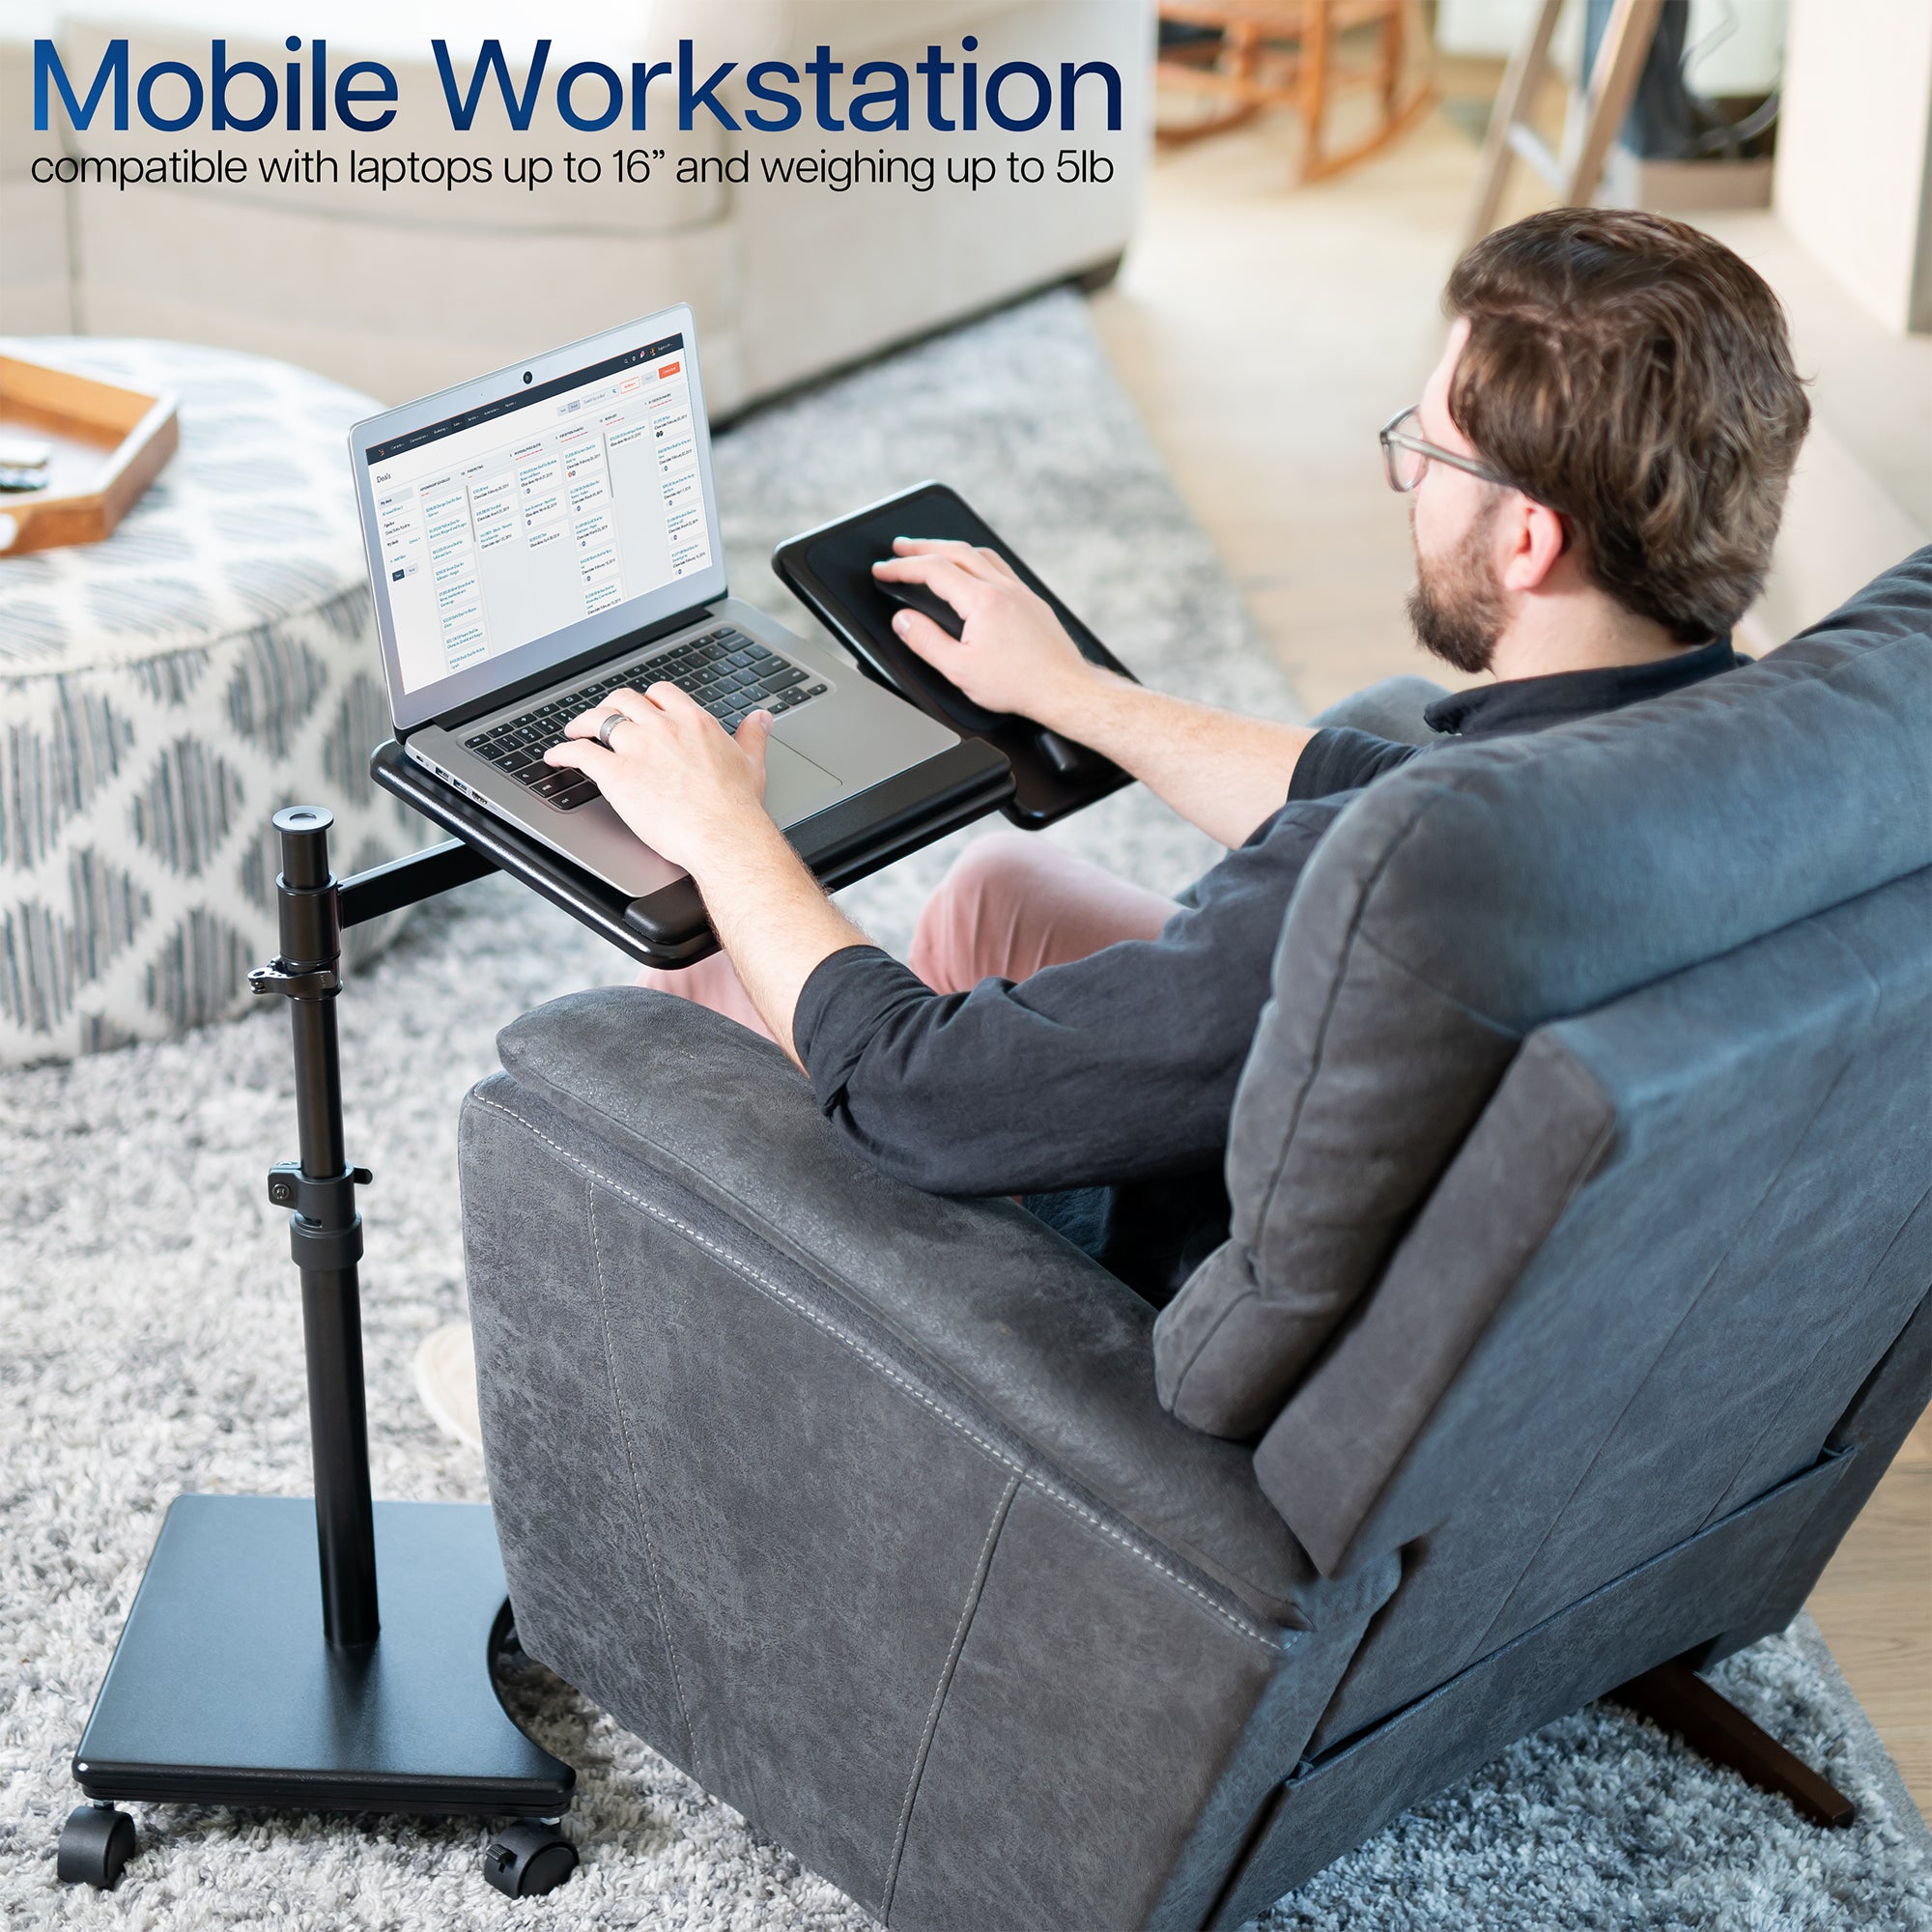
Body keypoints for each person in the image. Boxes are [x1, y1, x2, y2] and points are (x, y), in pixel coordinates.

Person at [535, 207, 1810, 1305]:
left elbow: (908, 1090)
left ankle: (624, 1327)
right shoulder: (1739, 745)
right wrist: (1068, 692)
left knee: (679, 1018)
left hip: (1151, 1300)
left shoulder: (1385, 896)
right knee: (998, 895)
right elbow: (1361, 783)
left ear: (1528, 540)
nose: (1402, 484)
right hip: (1392, 1190)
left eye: (1423, 454)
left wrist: (726, 833)